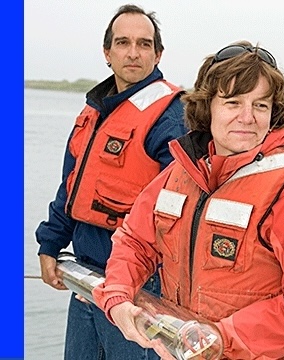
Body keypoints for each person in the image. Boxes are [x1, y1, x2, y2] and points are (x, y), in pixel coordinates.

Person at [92, 40, 284, 360]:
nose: (248, 117)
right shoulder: (181, 173)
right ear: (208, 107)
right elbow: (135, 240)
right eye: (233, 103)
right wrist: (119, 297)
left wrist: (222, 338)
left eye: (261, 105)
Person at [35, 4, 188, 360]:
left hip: (140, 286)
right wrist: (50, 244)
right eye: (122, 43)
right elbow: (71, 187)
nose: (133, 53)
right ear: (107, 52)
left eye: (144, 44)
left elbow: (177, 209)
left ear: (158, 53)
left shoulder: (171, 116)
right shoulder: (94, 111)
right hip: (85, 277)